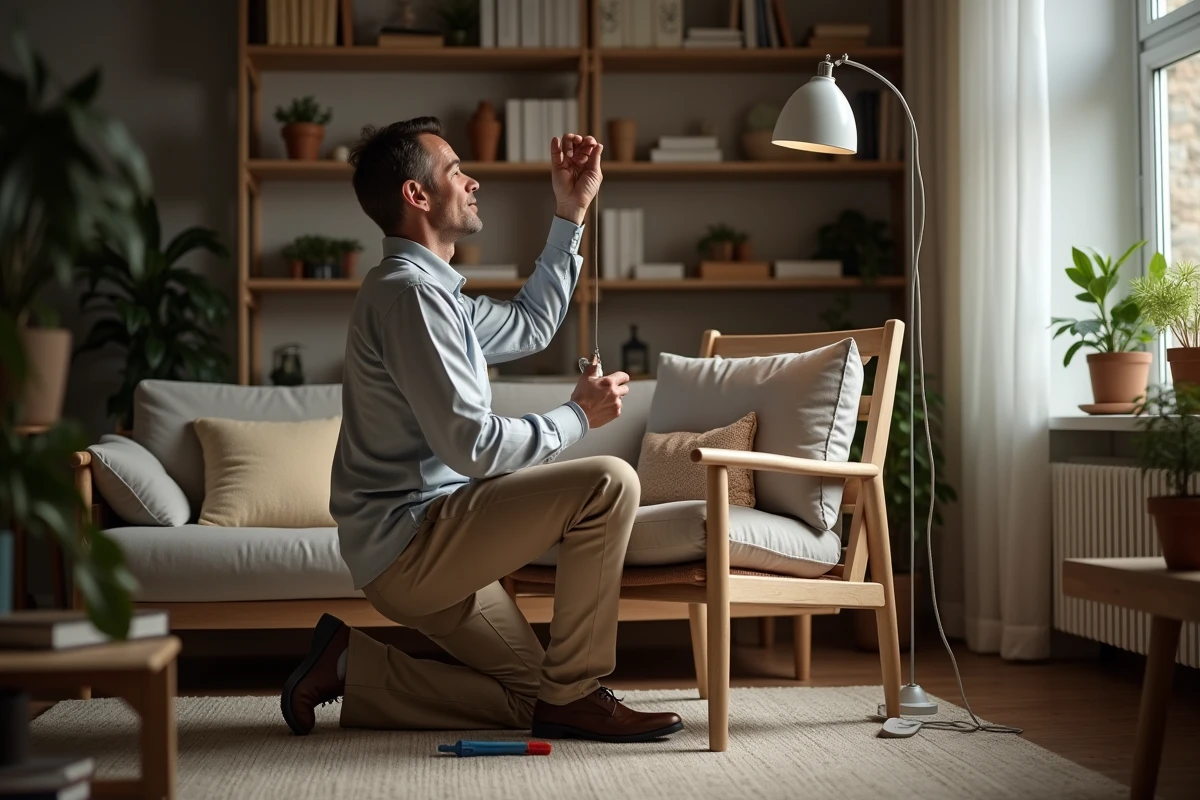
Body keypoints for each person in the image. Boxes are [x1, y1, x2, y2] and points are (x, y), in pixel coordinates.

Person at [280, 117, 682, 743]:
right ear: (417, 196)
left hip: (418, 551)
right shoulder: (411, 298)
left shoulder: (436, 297)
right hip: (415, 545)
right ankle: (579, 692)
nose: (473, 182)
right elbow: (472, 448)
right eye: (455, 171)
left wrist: (570, 212)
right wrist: (578, 416)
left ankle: (349, 664)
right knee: (609, 482)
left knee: (532, 697)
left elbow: (532, 324)